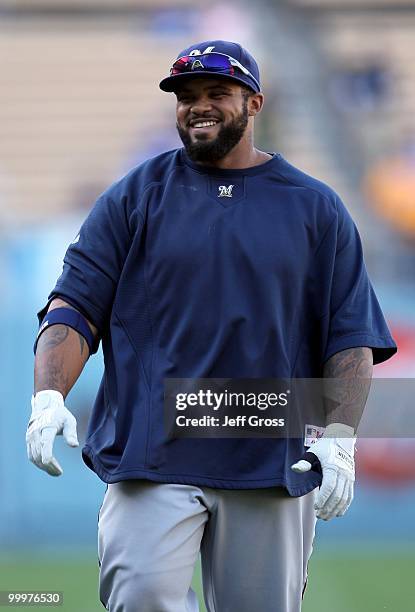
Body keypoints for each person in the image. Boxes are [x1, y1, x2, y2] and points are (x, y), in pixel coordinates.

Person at [26, 40, 397, 612]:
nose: (199, 106)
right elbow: (73, 307)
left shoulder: (314, 207)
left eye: (217, 93)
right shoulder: (133, 198)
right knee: (140, 595)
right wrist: (49, 394)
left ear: (254, 103)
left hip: (270, 454)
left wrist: (342, 440)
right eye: (187, 96)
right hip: (152, 455)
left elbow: (349, 338)